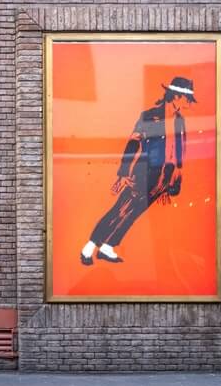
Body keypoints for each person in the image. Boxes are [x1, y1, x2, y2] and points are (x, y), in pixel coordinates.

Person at [79, 76, 196, 265]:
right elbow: (132, 144)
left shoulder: (179, 120)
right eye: (187, 99)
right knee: (120, 209)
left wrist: (178, 174)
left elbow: (181, 148)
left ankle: (108, 247)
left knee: (134, 213)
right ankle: (89, 247)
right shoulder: (149, 116)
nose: (189, 103)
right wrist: (124, 173)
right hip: (145, 172)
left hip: (164, 176)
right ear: (176, 96)